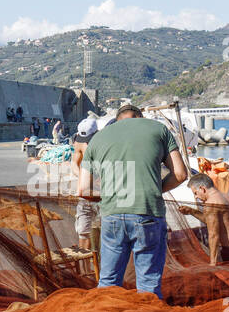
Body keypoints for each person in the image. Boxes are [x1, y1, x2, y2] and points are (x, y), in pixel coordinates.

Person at [79, 104, 187, 299]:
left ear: (118, 119)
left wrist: (115, 193)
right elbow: (180, 174)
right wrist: (152, 188)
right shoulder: (158, 129)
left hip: (112, 215)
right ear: (140, 116)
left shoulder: (97, 139)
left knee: (108, 282)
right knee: (148, 284)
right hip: (148, 213)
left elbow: (83, 189)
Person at [185, 173, 229, 264]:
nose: (196, 197)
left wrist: (213, 262)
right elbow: (212, 221)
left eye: (195, 193)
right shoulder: (228, 197)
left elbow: (213, 235)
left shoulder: (211, 204)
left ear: (202, 189)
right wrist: (192, 211)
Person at [71, 133, 100, 253]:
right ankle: (86, 263)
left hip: (101, 198)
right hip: (85, 198)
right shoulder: (78, 144)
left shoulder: (102, 144)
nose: (86, 143)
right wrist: (83, 176)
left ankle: (99, 264)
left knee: (104, 232)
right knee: (83, 232)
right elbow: (74, 164)